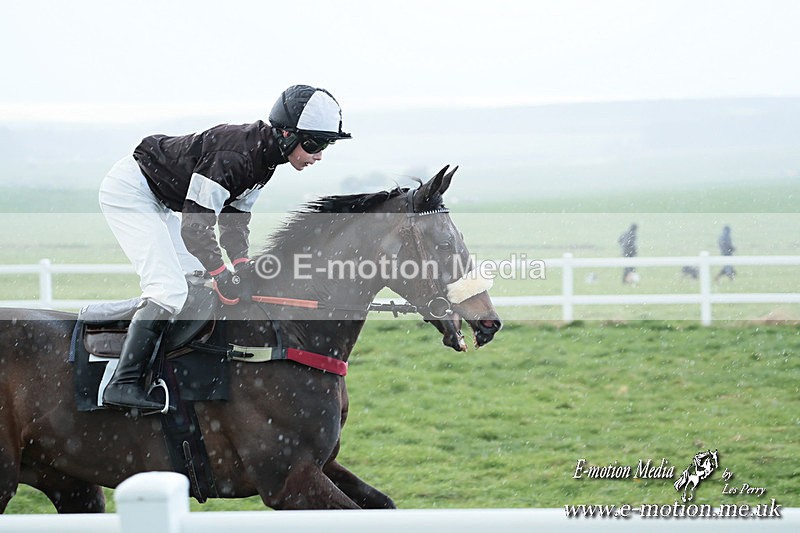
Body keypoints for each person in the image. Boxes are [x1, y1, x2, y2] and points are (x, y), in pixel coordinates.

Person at [98, 85, 351, 411]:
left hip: (164, 200)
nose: (319, 155)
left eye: (326, 144)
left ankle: (166, 369)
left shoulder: (265, 162)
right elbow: (196, 227)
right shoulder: (235, 157)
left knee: (194, 282)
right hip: (132, 191)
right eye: (315, 143)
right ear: (287, 134)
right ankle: (123, 384)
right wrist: (222, 273)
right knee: (168, 290)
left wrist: (241, 266)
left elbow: (234, 222)